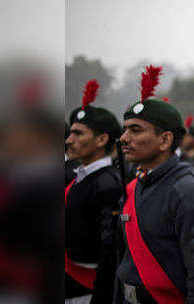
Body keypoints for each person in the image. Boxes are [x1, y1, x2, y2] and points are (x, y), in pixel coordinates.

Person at [115, 66, 194, 303]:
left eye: (135, 130)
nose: (124, 138)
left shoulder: (189, 191)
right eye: (125, 130)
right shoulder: (134, 186)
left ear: (165, 139)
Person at [64, 79, 123, 303]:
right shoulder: (83, 178)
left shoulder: (106, 184)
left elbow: (108, 251)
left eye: (78, 134)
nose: (69, 140)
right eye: (71, 133)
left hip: (87, 288)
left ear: (101, 139)